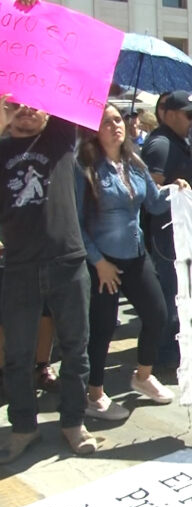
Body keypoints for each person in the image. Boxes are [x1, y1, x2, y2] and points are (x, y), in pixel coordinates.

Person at [0, 90, 97, 462]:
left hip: (67, 263)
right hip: (20, 268)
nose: (26, 109)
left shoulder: (58, 140)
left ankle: (73, 422)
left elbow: (70, 89)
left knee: (76, 349)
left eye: (33, 102)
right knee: (19, 355)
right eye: (17, 103)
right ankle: (23, 427)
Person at [76, 104, 185, 420]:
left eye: (118, 119)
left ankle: (142, 376)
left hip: (136, 253)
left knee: (157, 314)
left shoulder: (134, 162)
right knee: (103, 327)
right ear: (92, 130)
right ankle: (94, 395)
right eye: (106, 121)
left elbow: (152, 201)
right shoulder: (84, 168)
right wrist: (98, 262)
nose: (115, 125)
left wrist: (178, 192)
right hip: (103, 262)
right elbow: (77, 223)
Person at [141, 90, 192, 370]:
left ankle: (175, 352)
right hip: (167, 234)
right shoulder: (160, 144)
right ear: (170, 114)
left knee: (183, 294)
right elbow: (150, 196)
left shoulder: (182, 141)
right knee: (171, 297)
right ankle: (164, 357)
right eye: (189, 114)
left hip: (185, 231)